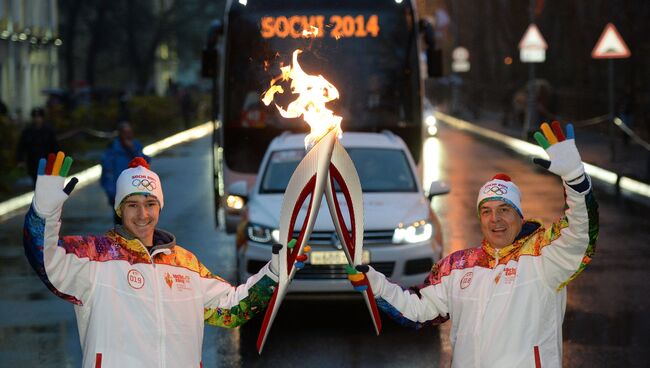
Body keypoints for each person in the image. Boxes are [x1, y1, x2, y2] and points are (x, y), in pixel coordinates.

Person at [348, 122, 599, 367]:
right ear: (479, 218)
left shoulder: (544, 257)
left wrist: (575, 179)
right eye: (487, 211)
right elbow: (418, 309)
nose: (495, 219)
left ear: (519, 216)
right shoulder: (458, 267)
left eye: (504, 209)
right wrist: (376, 284)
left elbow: (580, 234)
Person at [23, 154, 303, 367]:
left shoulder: (185, 264)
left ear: (160, 206)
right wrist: (44, 211)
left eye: (150, 204)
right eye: (132, 205)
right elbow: (47, 261)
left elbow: (233, 309)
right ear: (120, 209)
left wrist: (276, 272)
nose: (142, 214)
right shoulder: (96, 257)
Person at [100, 121, 149, 224]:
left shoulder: (136, 146)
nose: (128, 135)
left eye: (130, 132)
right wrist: (113, 195)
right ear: (120, 134)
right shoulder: (112, 151)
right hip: (120, 196)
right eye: (125, 132)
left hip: (138, 194)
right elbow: (107, 175)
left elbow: (145, 165)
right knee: (123, 227)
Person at [16, 107, 60, 185]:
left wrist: (58, 160)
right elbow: (21, 147)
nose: (37, 119)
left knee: (46, 183)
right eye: (35, 117)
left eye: (39, 117)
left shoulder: (48, 131)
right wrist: (20, 160)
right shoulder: (27, 131)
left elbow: (55, 146)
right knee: (36, 183)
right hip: (33, 163)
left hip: (47, 162)